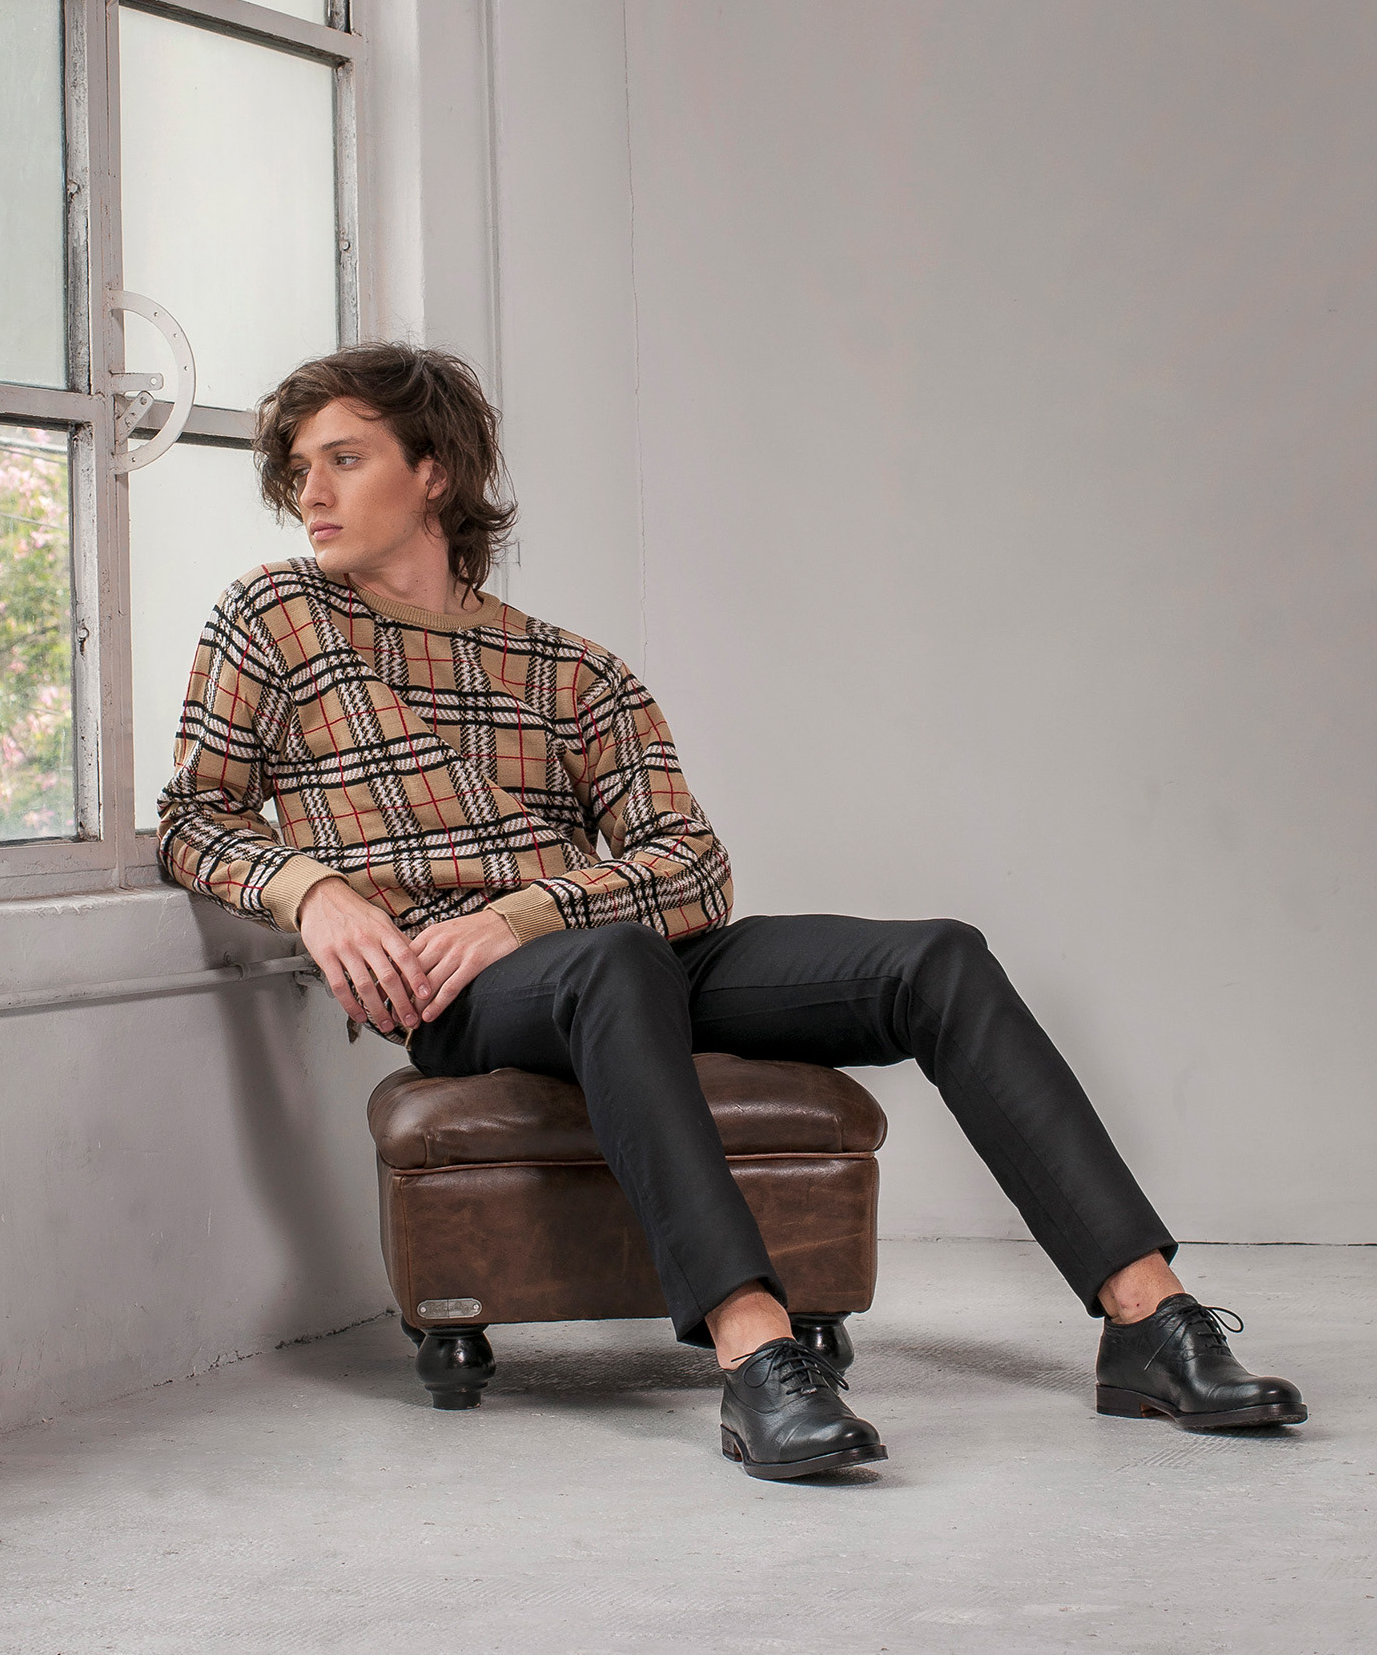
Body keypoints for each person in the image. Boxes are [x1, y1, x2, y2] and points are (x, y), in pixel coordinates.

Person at [158, 341, 1307, 1482]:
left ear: (434, 472)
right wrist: (314, 893)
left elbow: (692, 866)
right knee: (614, 961)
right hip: (461, 988)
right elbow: (192, 816)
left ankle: (1146, 1319)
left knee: (936, 960)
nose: (309, 492)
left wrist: (521, 914)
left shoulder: (571, 671)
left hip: (592, 950)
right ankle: (757, 1354)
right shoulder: (276, 617)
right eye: (298, 468)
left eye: (344, 458)